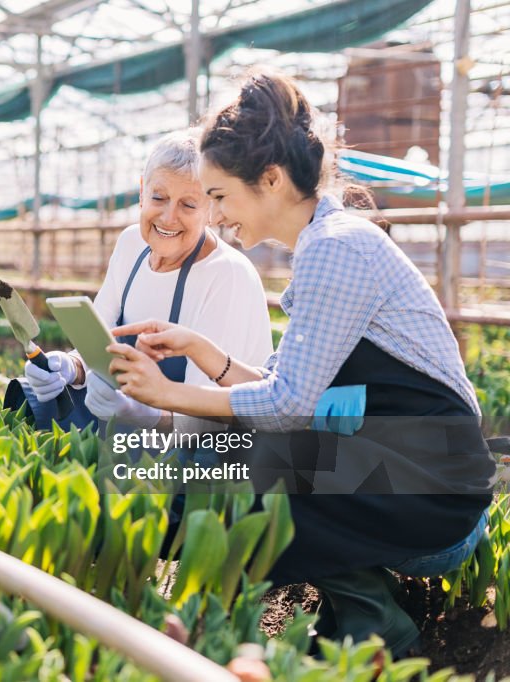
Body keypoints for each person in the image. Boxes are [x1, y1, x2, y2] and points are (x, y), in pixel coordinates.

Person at [107, 70, 495, 656]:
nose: (212, 215)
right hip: (403, 475)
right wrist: (204, 353)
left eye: (216, 196)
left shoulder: (337, 248)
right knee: (214, 459)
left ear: (270, 179)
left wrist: (170, 395)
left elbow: (287, 408)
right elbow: (295, 391)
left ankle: (355, 620)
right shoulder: (325, 242)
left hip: (432, 496)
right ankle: (362, 616)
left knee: (206, 465)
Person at [19, 129, 273, 432]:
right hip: (136, 420)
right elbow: (98, 341)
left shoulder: (227, 275)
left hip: (211, 443)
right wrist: (69, 367)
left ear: (209, 209)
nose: (168, 217)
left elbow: (209, 422)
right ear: (142, 191)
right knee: (31, 401)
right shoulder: (131, 244)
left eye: (188, 205)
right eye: (159, 197)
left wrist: (146, 416)